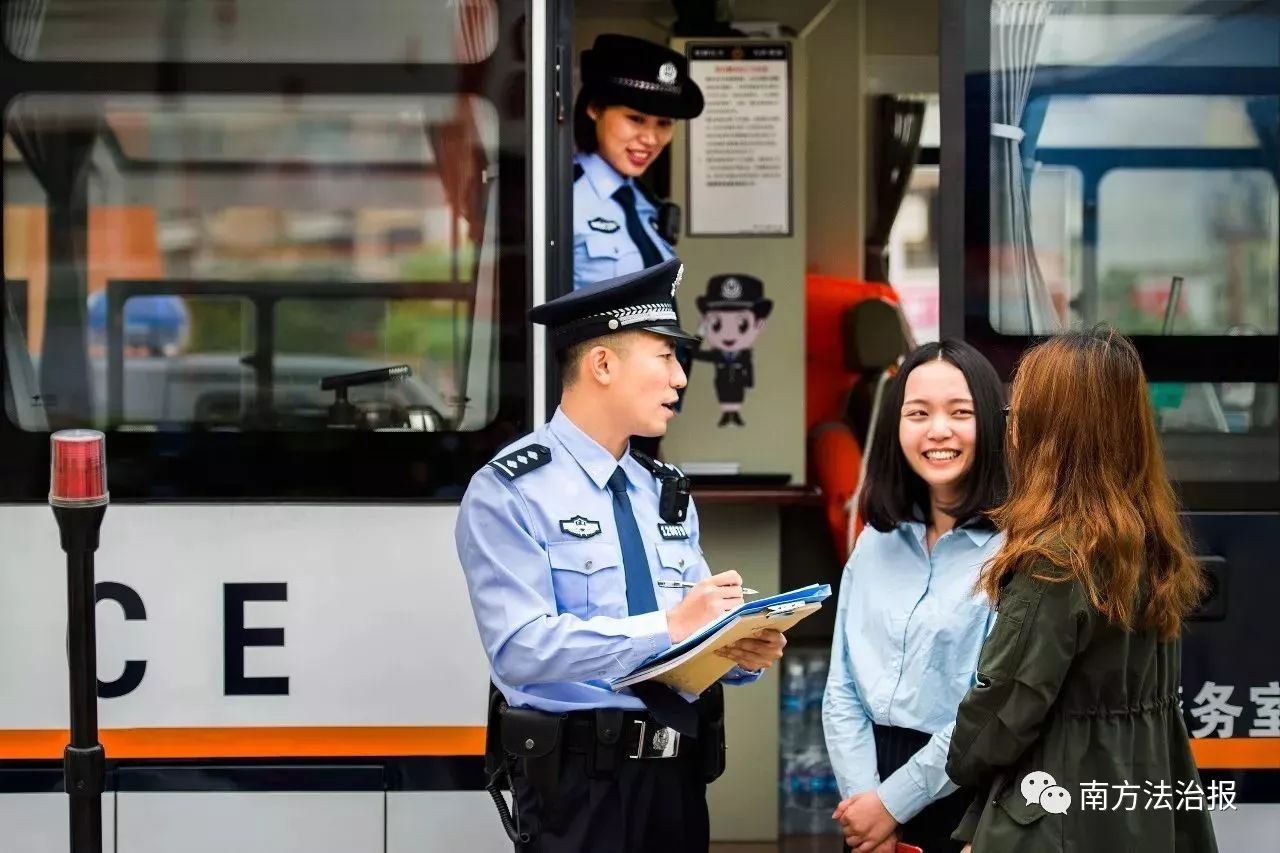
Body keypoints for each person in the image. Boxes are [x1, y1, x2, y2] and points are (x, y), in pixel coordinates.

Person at [455, 258, 787, 853]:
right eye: (665, 357)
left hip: (676, 776)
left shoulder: (665, 488)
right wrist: (672, 625)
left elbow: (693, 628)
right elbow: (519, 648)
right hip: (577, 786)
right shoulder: (509, 489)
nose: (680, 379)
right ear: (602, 364)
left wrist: (737, 648)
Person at [945, 326, 1218, 853]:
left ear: (1052, 430)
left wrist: (963, 764)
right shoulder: (1147, 539)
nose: (1012, 427)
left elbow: (1004, 705)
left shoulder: (1055, 558)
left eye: (1019, 412)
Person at [821, 340, 1009, 853]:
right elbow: (842, 688)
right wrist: (865, 808)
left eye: (960, 413)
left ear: (990, 424)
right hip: (867, 789)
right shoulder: (874, 542)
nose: (938, 431)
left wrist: (890, 806)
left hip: (965, 790)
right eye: (918, 413)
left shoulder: (1014, 553)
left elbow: (987, 709)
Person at [571, 34, 701, 291]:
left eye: (664, 123)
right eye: (636, 119)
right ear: (595, 109)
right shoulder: (561, 198)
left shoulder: (644, 201)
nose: (651, 139)